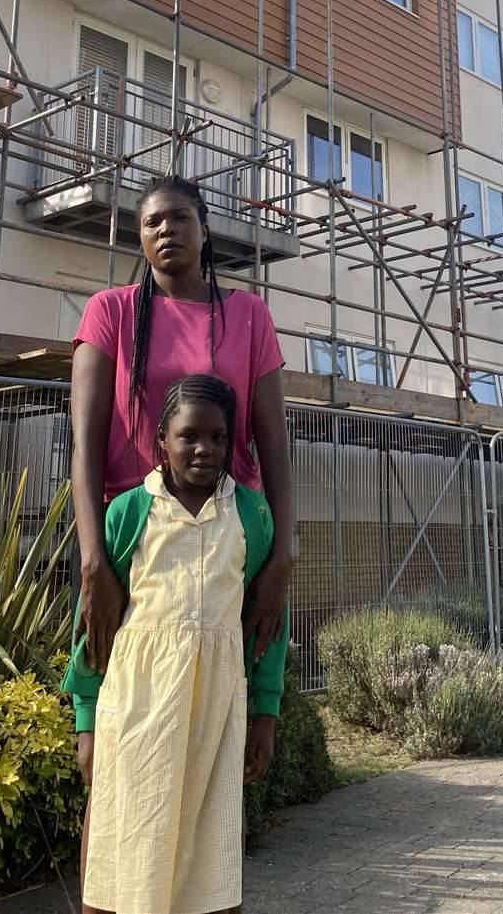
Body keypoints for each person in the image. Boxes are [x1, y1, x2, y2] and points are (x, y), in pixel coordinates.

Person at [62, 374, 287, 914]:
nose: (204, 449)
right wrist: (87, 722)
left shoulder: (252, 516)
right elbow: (93, 626)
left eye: (217, 437)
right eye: (189, 436)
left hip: (215, 714)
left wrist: (266, 715)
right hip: (137, 711)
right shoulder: (128, 513)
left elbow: (265, 626)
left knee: (212, 858)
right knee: (125, 851)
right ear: (162, 437)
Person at [69, 173, 293, 706]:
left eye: (180, 218)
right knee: (124, 700)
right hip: (136, 535)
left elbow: (275, 445)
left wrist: (284, 550)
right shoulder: (111, 312)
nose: (167, 229)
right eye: (152, 222)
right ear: (140, 239)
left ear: (206, 230)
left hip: (229, 532)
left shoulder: (248, 315)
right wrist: (94, 558)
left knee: (221, 701)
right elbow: (85, 443)